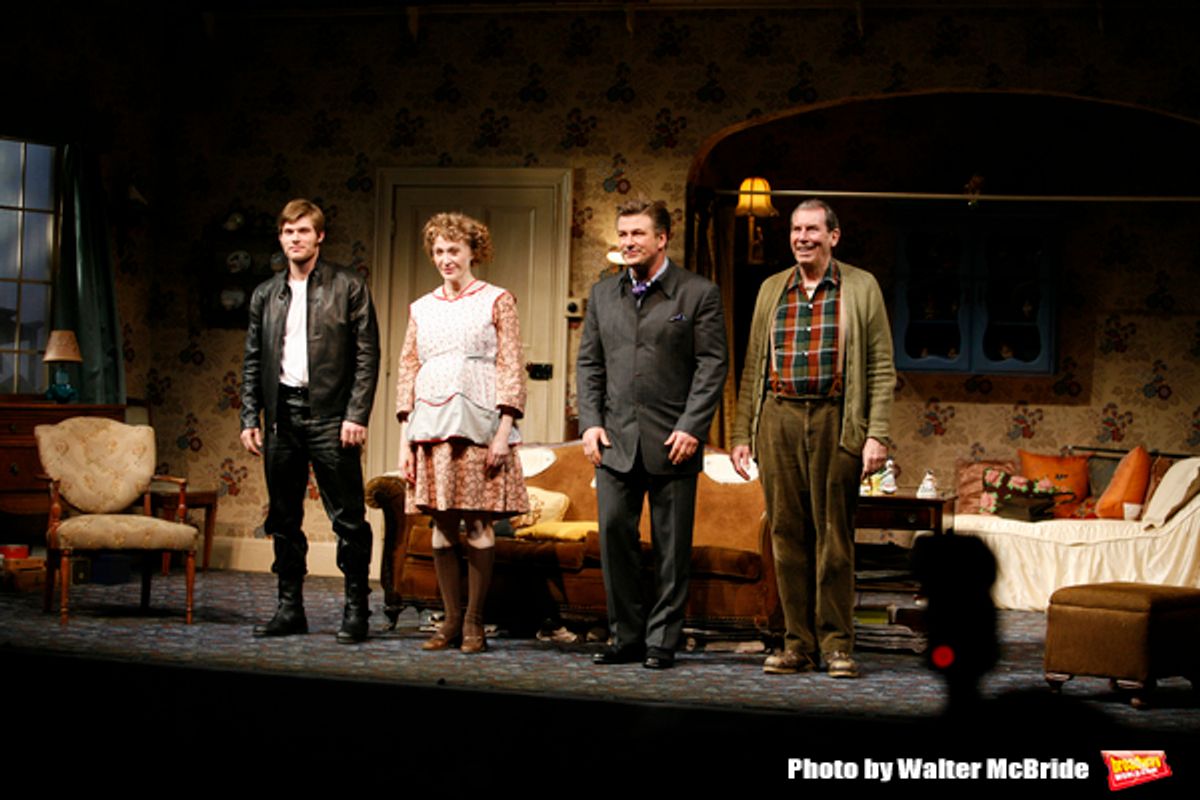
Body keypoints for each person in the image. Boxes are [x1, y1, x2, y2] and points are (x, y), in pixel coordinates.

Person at [730, 198, 895, 678]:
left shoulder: (861, 287)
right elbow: (753, 367)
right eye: (797, 230)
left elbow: (882, 368)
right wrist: (743, 432)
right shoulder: (770, 290)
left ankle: (838, 644)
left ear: (833, 237)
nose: (803, 237)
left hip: (836, 418)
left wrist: (877, 434)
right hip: (778, 417)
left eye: (813, 230)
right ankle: (796, 643)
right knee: (786, 536)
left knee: (834, 539)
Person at [577, 198, 728, 670]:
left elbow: (712, 365)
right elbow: (589, 364)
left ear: (661, 239)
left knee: (671, 548)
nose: (628, 243)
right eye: (623, 235)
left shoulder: (697, 293)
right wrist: (590, 422)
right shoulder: (603, 295)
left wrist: (692, 427)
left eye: (637, 234)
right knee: (614, 537)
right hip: (615, 440)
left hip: (673, 442)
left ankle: (662, 641)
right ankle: (626, 637)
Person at [241, 198, 380, 643]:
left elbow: (367, 357)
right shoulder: (266, 293)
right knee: (283, 518)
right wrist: (250, 416)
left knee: (349, 520)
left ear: (319, 236)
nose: (295, 239)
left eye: (303, 231)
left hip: (331, 417)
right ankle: (289, 609)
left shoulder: (348, 286)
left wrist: (356, 415)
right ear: (280, 238)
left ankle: (356, 612)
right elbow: (252, 360)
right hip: (281, 416)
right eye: (287, 232)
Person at [395, 212, 529, 654]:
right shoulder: (422, 307)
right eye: (438, 251)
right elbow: (407, 370)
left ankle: (474, 622)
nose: (446, 259)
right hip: (430, 429)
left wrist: (503, 431)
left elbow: (511, 363)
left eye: (454, 250)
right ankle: (450, 620)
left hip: (480, 424)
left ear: (474, 251)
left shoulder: (496, 299)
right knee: (441, 521)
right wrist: (405, 442)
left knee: (477, 521)